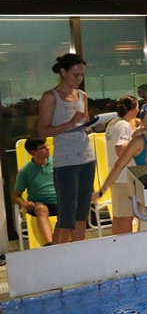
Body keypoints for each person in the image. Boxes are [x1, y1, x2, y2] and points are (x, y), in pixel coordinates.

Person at [37, 53, 95, 245]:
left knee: (82, 213)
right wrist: (69, 124)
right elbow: (43, 131)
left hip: (87, 157)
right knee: (66, 214)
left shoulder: (82, 95)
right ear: (63, 72)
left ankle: (78, 254)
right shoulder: (50, 97)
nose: (79, 79)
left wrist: (94, 124)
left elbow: (84, 124)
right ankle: (58, 257)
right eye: (76, 75)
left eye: (82, 75)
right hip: (66, 161)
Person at [96, 103, 147, 230]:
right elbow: (118, 166)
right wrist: (102, 190)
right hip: (145, 186)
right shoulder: (138, 141)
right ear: (143, 119)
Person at [12, 138, 57, 246]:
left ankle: (67, 243)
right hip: (38, 204)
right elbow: (15, 195)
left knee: (69, 207)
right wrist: (24, 203)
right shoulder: (25, 171)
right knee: (42, 209)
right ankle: (50, 244)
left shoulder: (57, 163)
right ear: (33, 153)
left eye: (47, 146)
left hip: (59, 200)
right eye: (42, 148)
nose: (47, 149)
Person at [104, 95, 139, 234]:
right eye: (138, 107)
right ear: (133, 109)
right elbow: (120, 149)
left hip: (117, 177)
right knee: (126, 216)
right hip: (124, 177)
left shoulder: (113, 123)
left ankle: (117, 243)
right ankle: (127, 243)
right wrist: (137, 141)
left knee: (119, 216)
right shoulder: (124, 125)